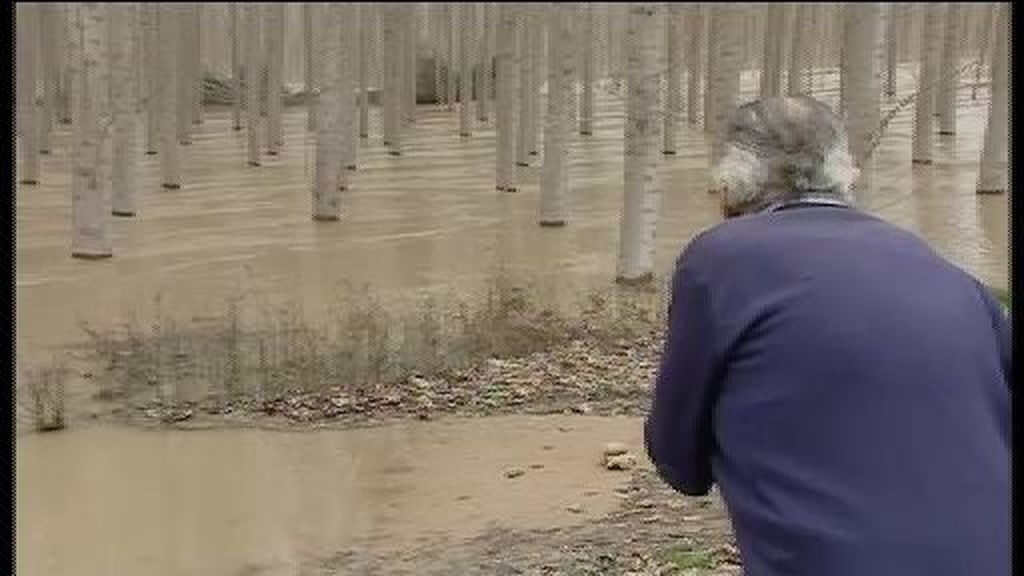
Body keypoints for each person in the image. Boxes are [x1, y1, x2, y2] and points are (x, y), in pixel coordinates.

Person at [644, 96, 1010, 576]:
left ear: (728, 184)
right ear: (845, 172)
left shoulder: (721, 259)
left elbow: (678, 457)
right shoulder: (934, 263)